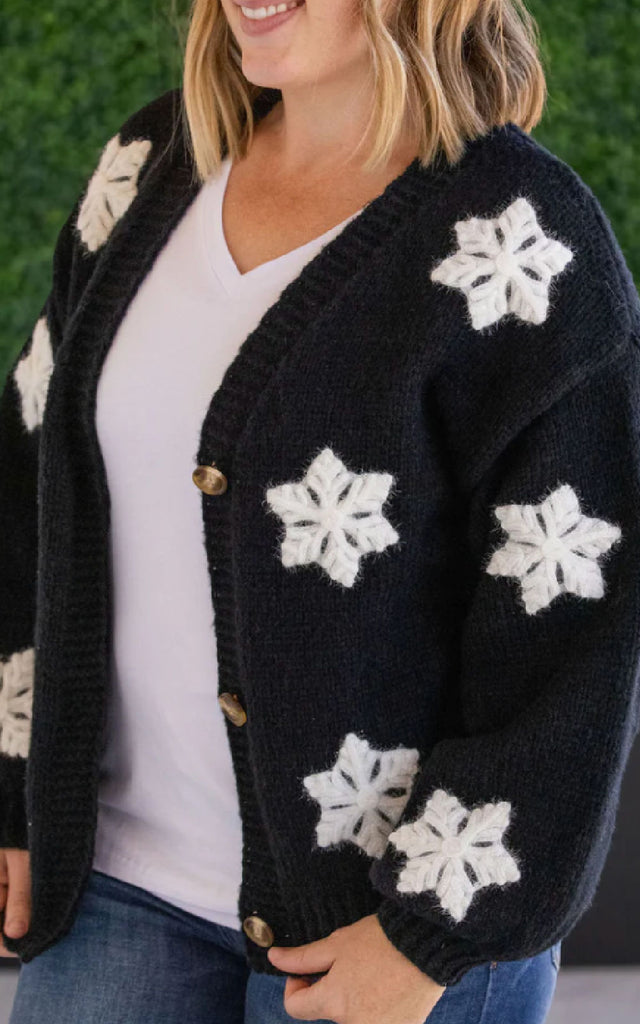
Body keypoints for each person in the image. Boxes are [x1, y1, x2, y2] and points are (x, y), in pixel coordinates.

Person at [1, 1, 639, 1022]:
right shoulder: (151, 161)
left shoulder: (521, 243)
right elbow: (34, 487)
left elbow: (572, 638)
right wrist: (19, 798)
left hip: (379, 926)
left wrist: (429, 936)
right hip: (118, 886)